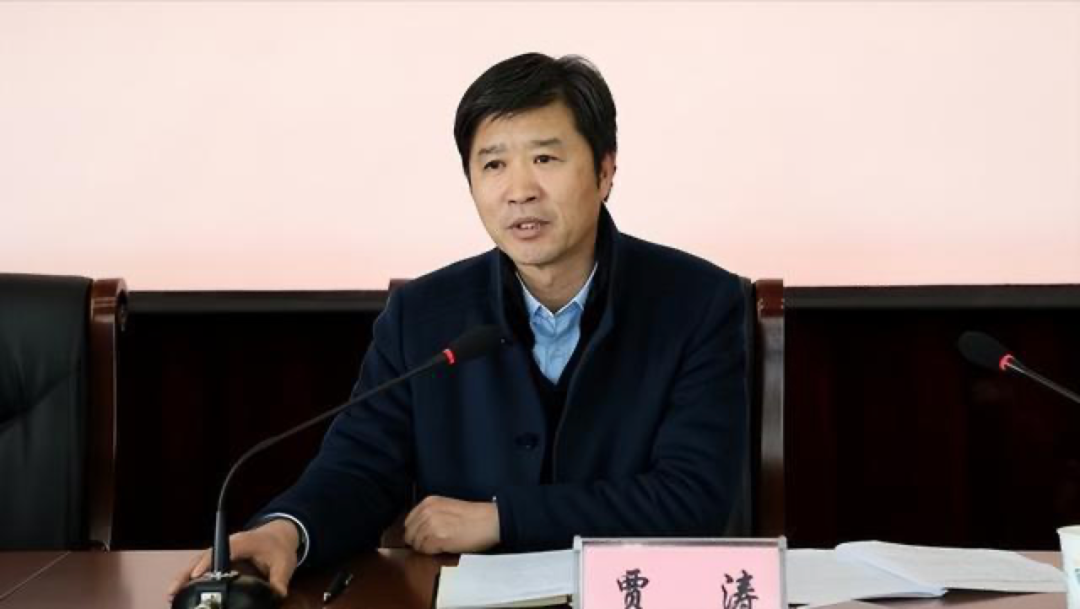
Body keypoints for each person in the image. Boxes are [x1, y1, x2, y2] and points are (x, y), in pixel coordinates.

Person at [169, 52, 747, 599]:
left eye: (545, 159)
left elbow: (691, 499)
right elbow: (359, 468)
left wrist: (502, 518)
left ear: (604, 170)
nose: (519, 191)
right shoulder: (422, 315)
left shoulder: (696, 303)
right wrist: (289, 531)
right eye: (493, 164)